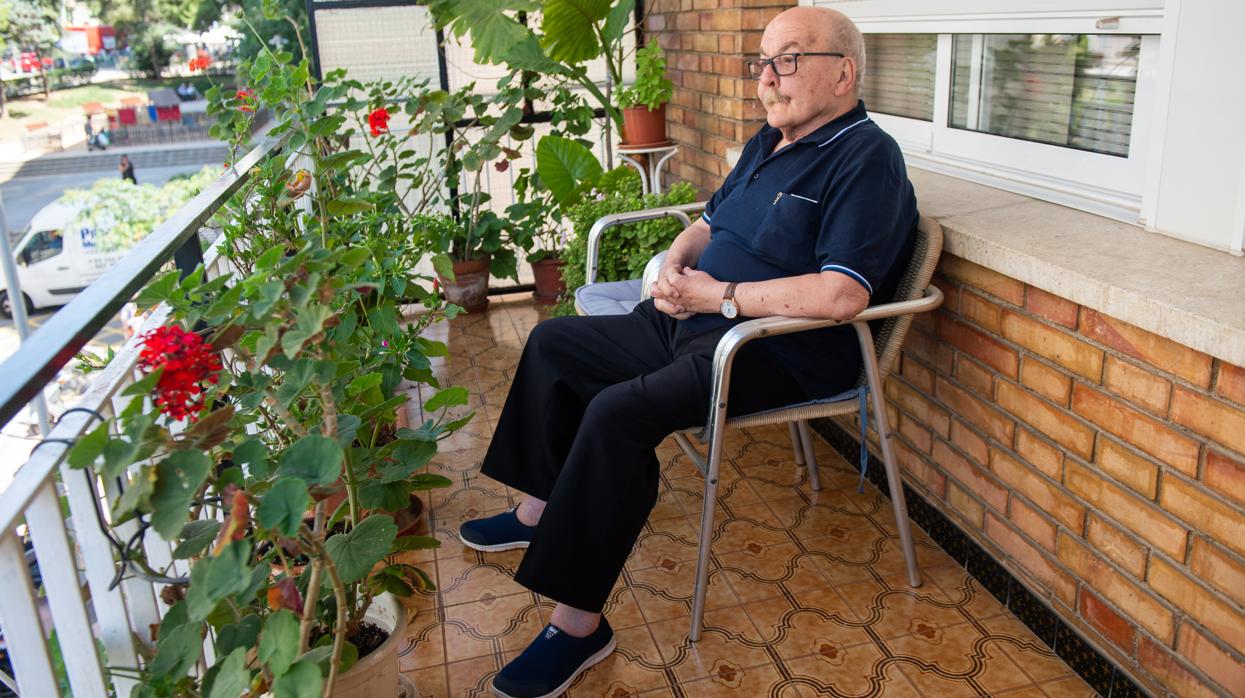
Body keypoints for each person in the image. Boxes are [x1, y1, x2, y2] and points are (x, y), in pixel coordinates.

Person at [458, 7, 919, 697]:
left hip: (770, 350)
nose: (767, 78)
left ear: (842, 72)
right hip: (694, 318)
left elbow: (840, 297)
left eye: (787, 60)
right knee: (554, 342)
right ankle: (537, 511)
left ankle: (579, 626)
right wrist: (673, 266)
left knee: (617, 414)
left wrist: (718, 296)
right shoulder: (771, 140)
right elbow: (708, 220)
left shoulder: (866, 159)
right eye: (761, 62)